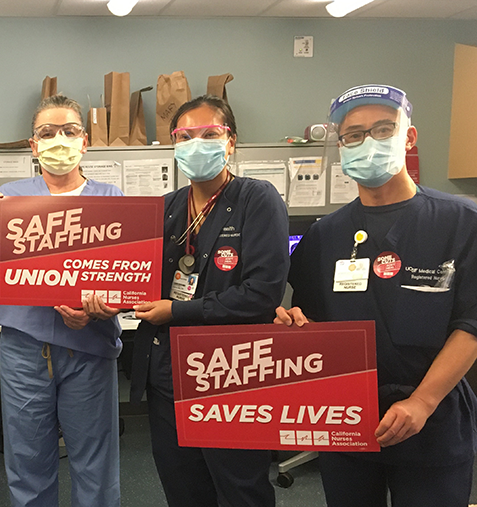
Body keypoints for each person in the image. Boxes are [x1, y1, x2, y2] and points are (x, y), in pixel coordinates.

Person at [275, 84, 477, 506]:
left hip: (433, 421)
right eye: (354, 135)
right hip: (347, 418)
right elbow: (314, 323)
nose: (368, 142)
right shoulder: (326, 235)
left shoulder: (459, 222)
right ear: (342, 146)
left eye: (383, 129)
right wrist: (295, 326)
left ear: (409, 137)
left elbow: (475, 326)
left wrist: (422, 401)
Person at [88, 95, 288, 506]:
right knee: (183, 486)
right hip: (166, 369)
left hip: (229, 372)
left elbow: (261, 295)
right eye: (185, 135)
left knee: (240, 487)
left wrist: (176, 310)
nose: (197, 144)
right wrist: (112, 300)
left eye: (210, 134)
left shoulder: (257, 199)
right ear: (174, 145)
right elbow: (139, 283)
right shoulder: (165, 208)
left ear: (230, 141)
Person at [0, 95, 123, 507]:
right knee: (28, 463)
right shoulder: (10, 201)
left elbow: (128, 281)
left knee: (95, 464)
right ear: (33, 146)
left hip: (90, 348)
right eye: (47, 133)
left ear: (84, 141)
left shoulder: (112, 200)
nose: (59, 140)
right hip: (24, 351)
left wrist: (99, 309)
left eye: (69, 131)